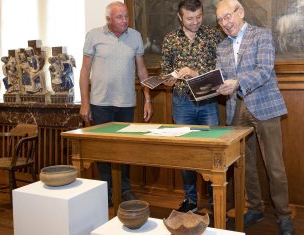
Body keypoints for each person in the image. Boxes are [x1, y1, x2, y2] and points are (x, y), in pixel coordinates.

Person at [215, 0, 294, 234]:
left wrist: (237, 82)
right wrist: (217, 86)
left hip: (265, 107)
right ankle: (255, 208)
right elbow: (221, 76)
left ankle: (284, 216)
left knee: (275, 166)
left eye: (228, 16)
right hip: (235, 108)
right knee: (245, 165)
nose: (225, 23)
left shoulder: (262, 35)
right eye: (220, 20)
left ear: (240, 12)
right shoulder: (221, 47)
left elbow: (264, 69)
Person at [79, 1, 152, 206]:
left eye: (126, 16)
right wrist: (85, 103)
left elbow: (142, 71)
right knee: (103, 151)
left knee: (124, 150)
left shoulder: (135, 36)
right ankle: (106, 191)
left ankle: (124, 190)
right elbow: (85, 72)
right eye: (120, 17)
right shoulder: (93, 35)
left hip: (126, 104)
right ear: (108, 19)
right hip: (100, 104)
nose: (125, 20)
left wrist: (147, 98)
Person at [160, 0, 223, 213]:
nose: (195, 22)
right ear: (180, 17)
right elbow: (165, 72)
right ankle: (191, 200)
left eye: (199, 17)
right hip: (182, 103)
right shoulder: (170, 40)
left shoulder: (214, 36)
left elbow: (221, 70)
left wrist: (195, 74)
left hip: (208, 103)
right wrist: (169, 78)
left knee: (213, 151)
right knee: (186, 153)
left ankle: (216, 199)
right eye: (190, 18)